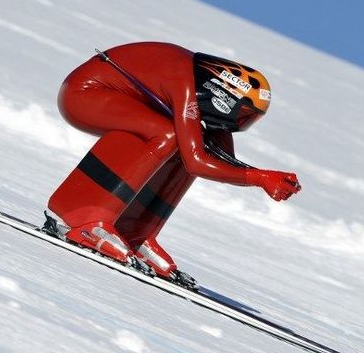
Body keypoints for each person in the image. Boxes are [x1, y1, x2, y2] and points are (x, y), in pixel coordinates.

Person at [45, 42, 301, 283]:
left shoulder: (201, 91)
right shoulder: (184, 82)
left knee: (191, 142)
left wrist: (262, 176)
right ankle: (83, 217)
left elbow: (215, 156)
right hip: (83, 94)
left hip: (112, 97)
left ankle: (134, 232)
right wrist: (260, 178)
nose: (239, 124)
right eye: (242, 114)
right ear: (222, 96)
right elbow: (196, 163)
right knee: (166, 134)